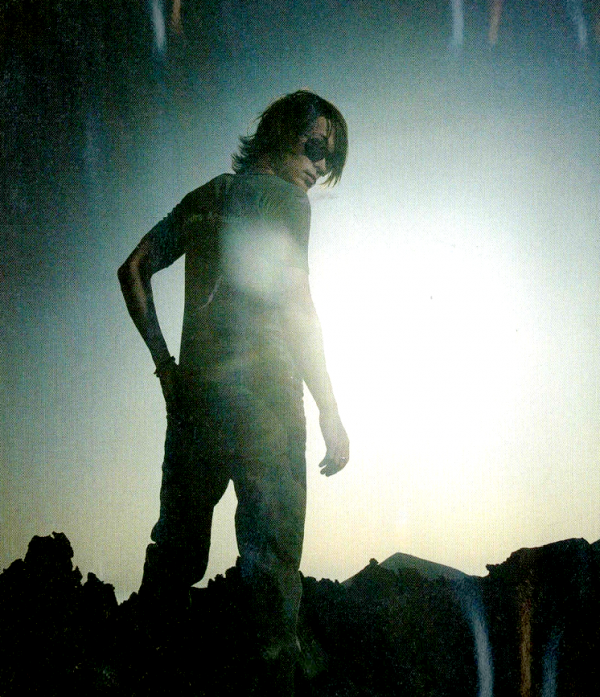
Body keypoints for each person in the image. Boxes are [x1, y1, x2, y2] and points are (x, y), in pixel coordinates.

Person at [118, 90, 350, 689]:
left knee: (173, 560)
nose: (320, 166)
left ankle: (140, 677)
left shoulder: (206, 197)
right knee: (270, 576)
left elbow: (133, 268)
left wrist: (166, 367)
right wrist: (329, 409)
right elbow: (296, 306)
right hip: (267, 405)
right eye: (316, 147)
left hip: (194, 404)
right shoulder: (287, 201)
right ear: (280, 134)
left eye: (329, 159)